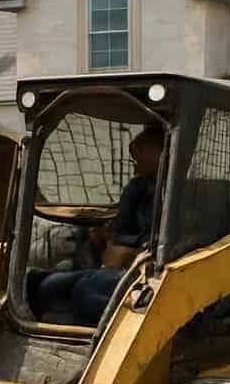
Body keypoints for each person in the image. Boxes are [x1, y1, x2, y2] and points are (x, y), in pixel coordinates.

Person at [34, 123, 163, 324]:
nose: (133, 163)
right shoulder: (137, 187)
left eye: (138, 156)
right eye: (132, 158)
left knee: (84, 292)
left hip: (143, 272)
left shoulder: (175, 193)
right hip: (114, 264)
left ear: (158, 153)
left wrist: (128, 249)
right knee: (42, 285)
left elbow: (157, 240)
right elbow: (120, 227)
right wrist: (105, 234)